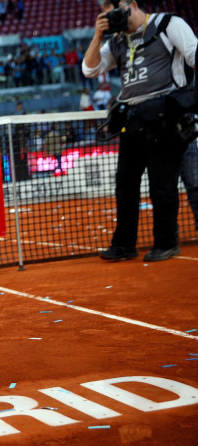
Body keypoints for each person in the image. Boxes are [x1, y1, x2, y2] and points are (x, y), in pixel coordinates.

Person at [83, 0, 197, 262]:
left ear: (131, 4)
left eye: (115, 12)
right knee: (125, 185)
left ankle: (166, 243)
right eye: (107, 15)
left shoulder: (168, 24)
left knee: (162, 185)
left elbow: (194, 55)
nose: (113, 19)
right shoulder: (117, 41)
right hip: (132, 120)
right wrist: (98, 34)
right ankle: (124, 245)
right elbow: (89, 69)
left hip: (165, 118)